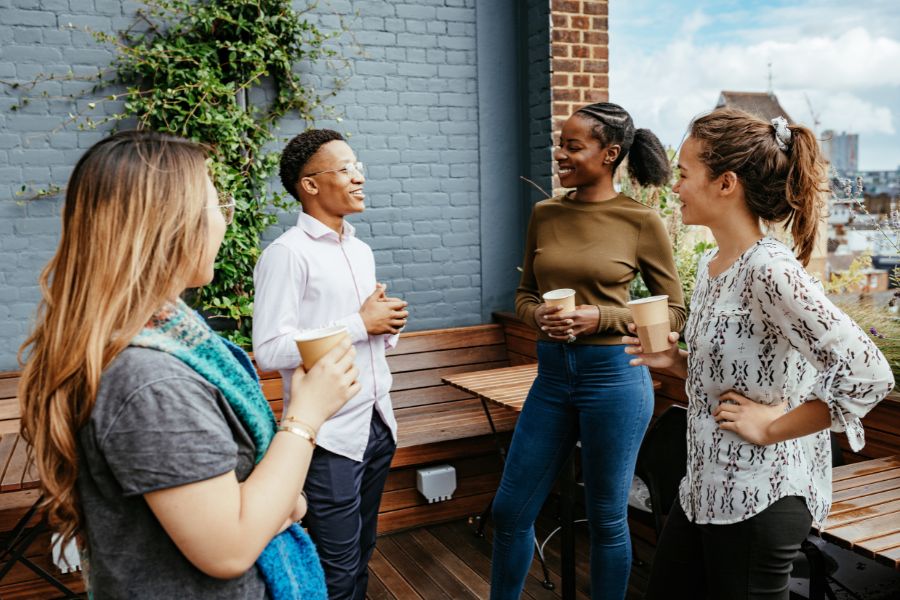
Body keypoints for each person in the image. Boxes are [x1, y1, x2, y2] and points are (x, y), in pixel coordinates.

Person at [17, 130, 360, 599]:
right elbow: (229, 548)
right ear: (170, 225)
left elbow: (238, 501)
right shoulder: (149, 379)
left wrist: (275, 502)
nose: (224, 220)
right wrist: (306, 415)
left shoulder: (168, 338)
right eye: (216, 204)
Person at [625, 108, 895, 600]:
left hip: (761, 496)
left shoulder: (769, 270)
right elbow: (739, 376)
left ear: (726, 183)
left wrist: (773, 425)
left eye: (684, 174)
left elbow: (868, 372)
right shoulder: (712, 266)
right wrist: (676, 362)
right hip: (704, 486)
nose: (675, 187)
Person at [491, 102, 687, 600]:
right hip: (552, 379)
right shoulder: (546, 213)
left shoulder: (641, 221)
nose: (560, 154)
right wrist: (540, 317)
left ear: (610, 154)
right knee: (510, 511)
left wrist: (599, 317)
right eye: (561, 143)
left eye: (573, 146)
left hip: (615, 382)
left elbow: (677, 316)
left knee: (605, 517)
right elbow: (525, 295)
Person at [252, 128, 408, 600]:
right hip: (330, 436)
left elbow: (360, 332)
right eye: (345, 169)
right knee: (335, 567)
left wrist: (386, 326)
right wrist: (361, 323)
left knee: (362, 551)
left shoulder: (360, 250)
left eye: (357, 166)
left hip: (379, 424)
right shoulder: (285, 255)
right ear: (311, 185)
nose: (359, 177)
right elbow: (270, 349)